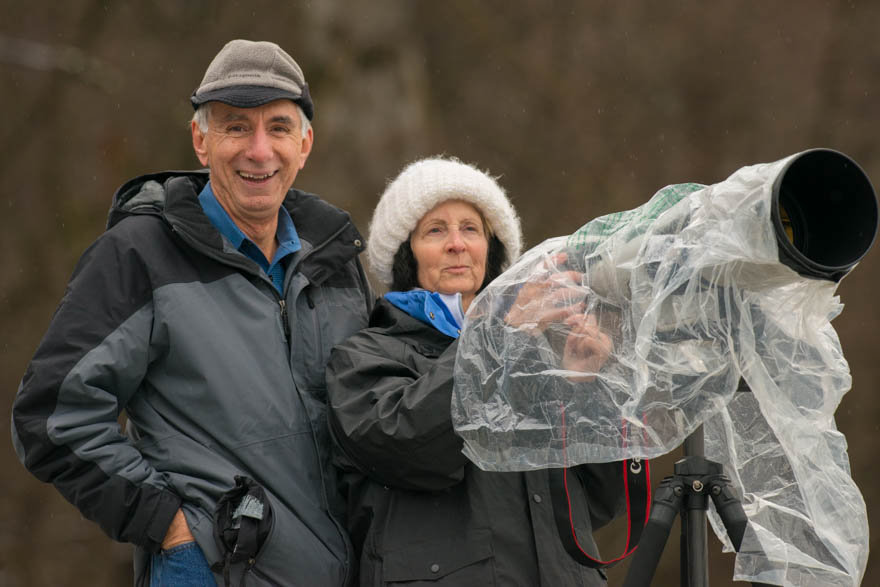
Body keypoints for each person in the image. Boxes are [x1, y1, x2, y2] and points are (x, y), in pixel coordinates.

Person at [12, 39, 371, 586]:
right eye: (234, 127)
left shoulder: (337, 260)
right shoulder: (140, 256)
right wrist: (171, 526)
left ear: (305, 144)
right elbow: (53, 418)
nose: (259, 150)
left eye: (277, 128)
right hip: (215, 571)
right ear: (200, 142)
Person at [325, 157, 627, 586]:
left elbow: (600, 503)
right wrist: (497, 335)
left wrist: (585, 386)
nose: (457, 244)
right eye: (435, 230)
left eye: (471, 228)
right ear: (404, 253)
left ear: (492, 248)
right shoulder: (363, 356)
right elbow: (409, 445)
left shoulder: (533, 353)